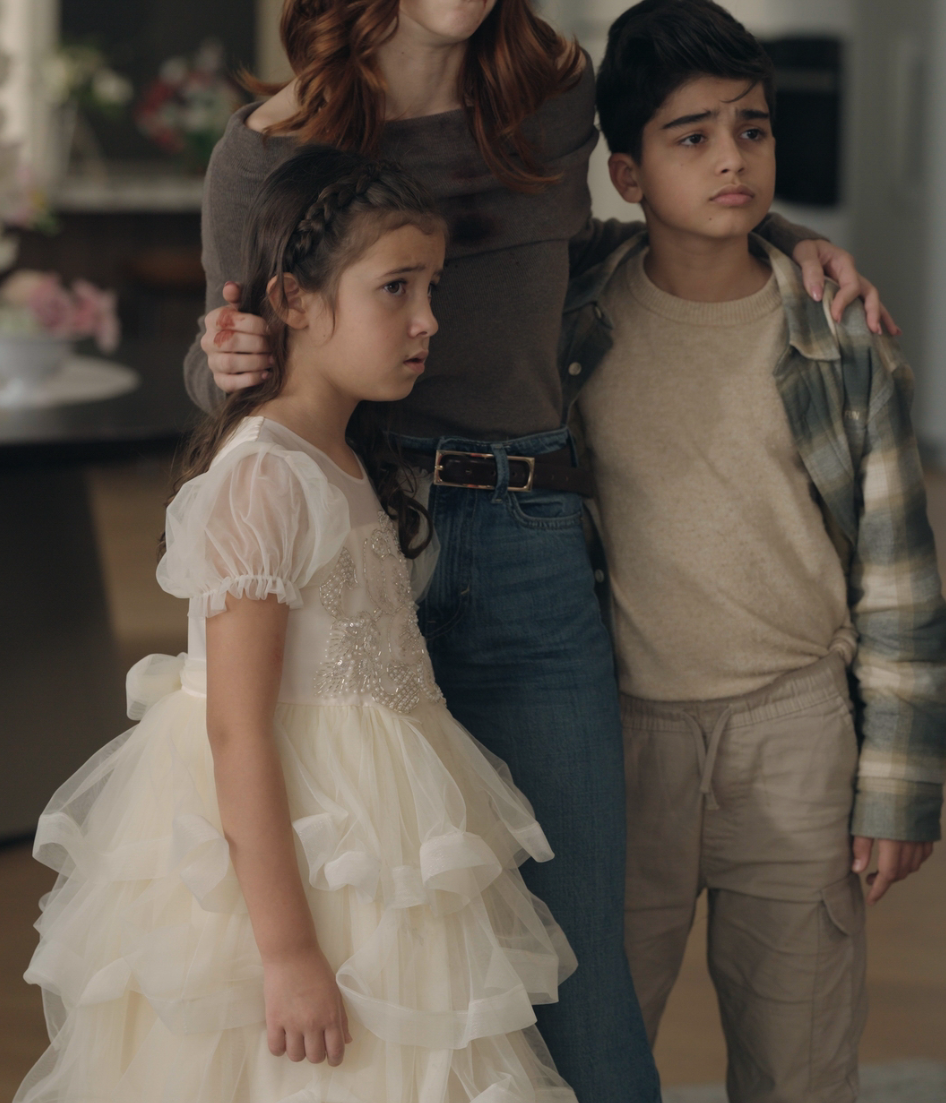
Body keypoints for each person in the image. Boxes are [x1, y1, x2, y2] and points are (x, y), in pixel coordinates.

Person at [183, 0, 888, 1100]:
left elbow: (675, 174)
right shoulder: (268, 151)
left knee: (573, 966)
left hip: (532, 548)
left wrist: (792, 239)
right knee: (394, 955)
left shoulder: (551, 99)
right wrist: (215, 362)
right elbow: (231, 369)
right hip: (355, 563)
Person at [16, 147, 583, 1103]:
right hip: (297, 848)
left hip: (376, 828)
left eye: (431, 287)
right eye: (395, 288)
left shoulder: (345, 459)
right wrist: (285, 954)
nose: (428, 319)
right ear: (295, 300)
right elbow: (235, 728)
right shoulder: (266, 474)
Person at [561, 0, 946, 1103]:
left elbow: (900, 580)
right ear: (627, 173)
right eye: (692, 136)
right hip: (625, 740)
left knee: (801, 1062)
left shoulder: (840, 339)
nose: (732, 157)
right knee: (595, 1048)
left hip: (796, 734)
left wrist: (898, 786)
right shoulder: (575, 325)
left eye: (752, 127)